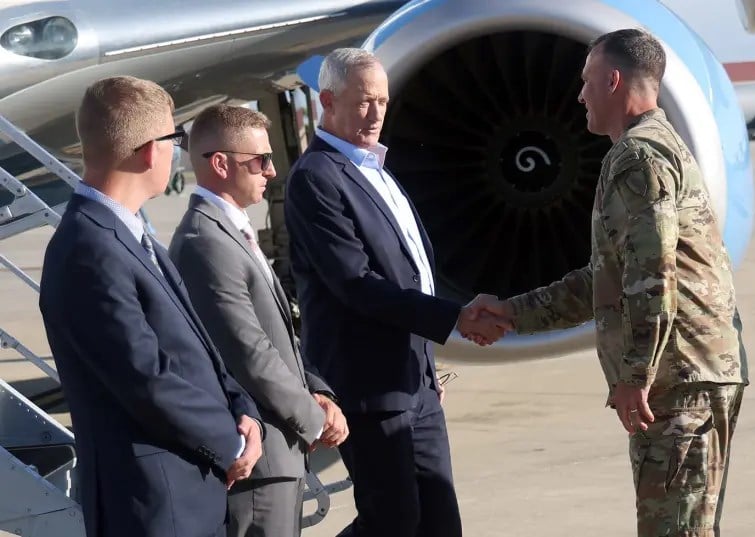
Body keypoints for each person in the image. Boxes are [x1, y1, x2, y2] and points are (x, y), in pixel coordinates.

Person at [467, 29, 749, 537]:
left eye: (587, 81)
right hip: (690, 372)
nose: (580, 95)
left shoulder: (638, 158)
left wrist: (635, 375)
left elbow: (650, 278)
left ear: (614, 80)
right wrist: (514, 311)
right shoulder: (656, 148)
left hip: (676, 378)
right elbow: (612, 278)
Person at [283, 48, 509, 537]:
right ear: (327, 100)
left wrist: (427, 365)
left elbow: (410, 272)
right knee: (394, 522)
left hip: (416, 384)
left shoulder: (375, 169)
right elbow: (357, 285)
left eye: (383, 102)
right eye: (364, 101)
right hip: (370, 390)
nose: (376, 114)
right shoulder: (317, 178)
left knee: (441, 522)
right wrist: (454, 318)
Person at [38, 76, 264, 537]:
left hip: (187, 494)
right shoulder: (89, 248)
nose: (177, 150)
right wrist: (231, 439)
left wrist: (243, 407)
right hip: (155, 508)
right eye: (174, 139)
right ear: (147, 150)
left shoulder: (130, 235)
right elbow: (146, 379)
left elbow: (196, 347)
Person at [168, 103, 348, 537]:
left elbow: (278, 334)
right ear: (220, 164)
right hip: (259, 464)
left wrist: (319, 392)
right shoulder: (205, 241)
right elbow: (248, 352)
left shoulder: (232, 230)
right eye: (260, 161)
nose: (271, 171)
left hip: (278, 453)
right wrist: (314, 417)